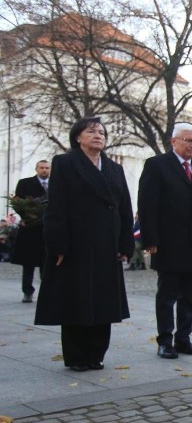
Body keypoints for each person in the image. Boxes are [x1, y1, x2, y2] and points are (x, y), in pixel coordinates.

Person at [34, 117, 134, 372]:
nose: (98, 135)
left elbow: (124, 208)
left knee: (103, 301)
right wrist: (57, 245)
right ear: (78, 137)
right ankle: (77, 355)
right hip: (76, 244)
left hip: (107, 245)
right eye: (91, 131)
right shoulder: (65, 163)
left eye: (101, 132)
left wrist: (126, 243)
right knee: (76, 299)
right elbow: (56, 207)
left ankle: (97, 353)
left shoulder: (114, 168)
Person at [138, 123, 192, 359]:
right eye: (188, 140)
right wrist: (150, 238)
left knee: (189, 298)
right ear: (174, 141)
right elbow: (147, 204)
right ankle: (165, 340)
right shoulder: (157, 165)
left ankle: (183, 339)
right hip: (168, 244)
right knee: (166, 296)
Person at [11, 160, 50, 303]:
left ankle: (46, 292)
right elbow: (18, 203)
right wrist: (29, 216)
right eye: (42, 168)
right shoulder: (25, 183)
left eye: (47, 168)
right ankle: (27, 292)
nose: (44, 170)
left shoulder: (56, 184)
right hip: (30, 228)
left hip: (47, 230)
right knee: (28, 264)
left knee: (46, 263)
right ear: (36, 169)